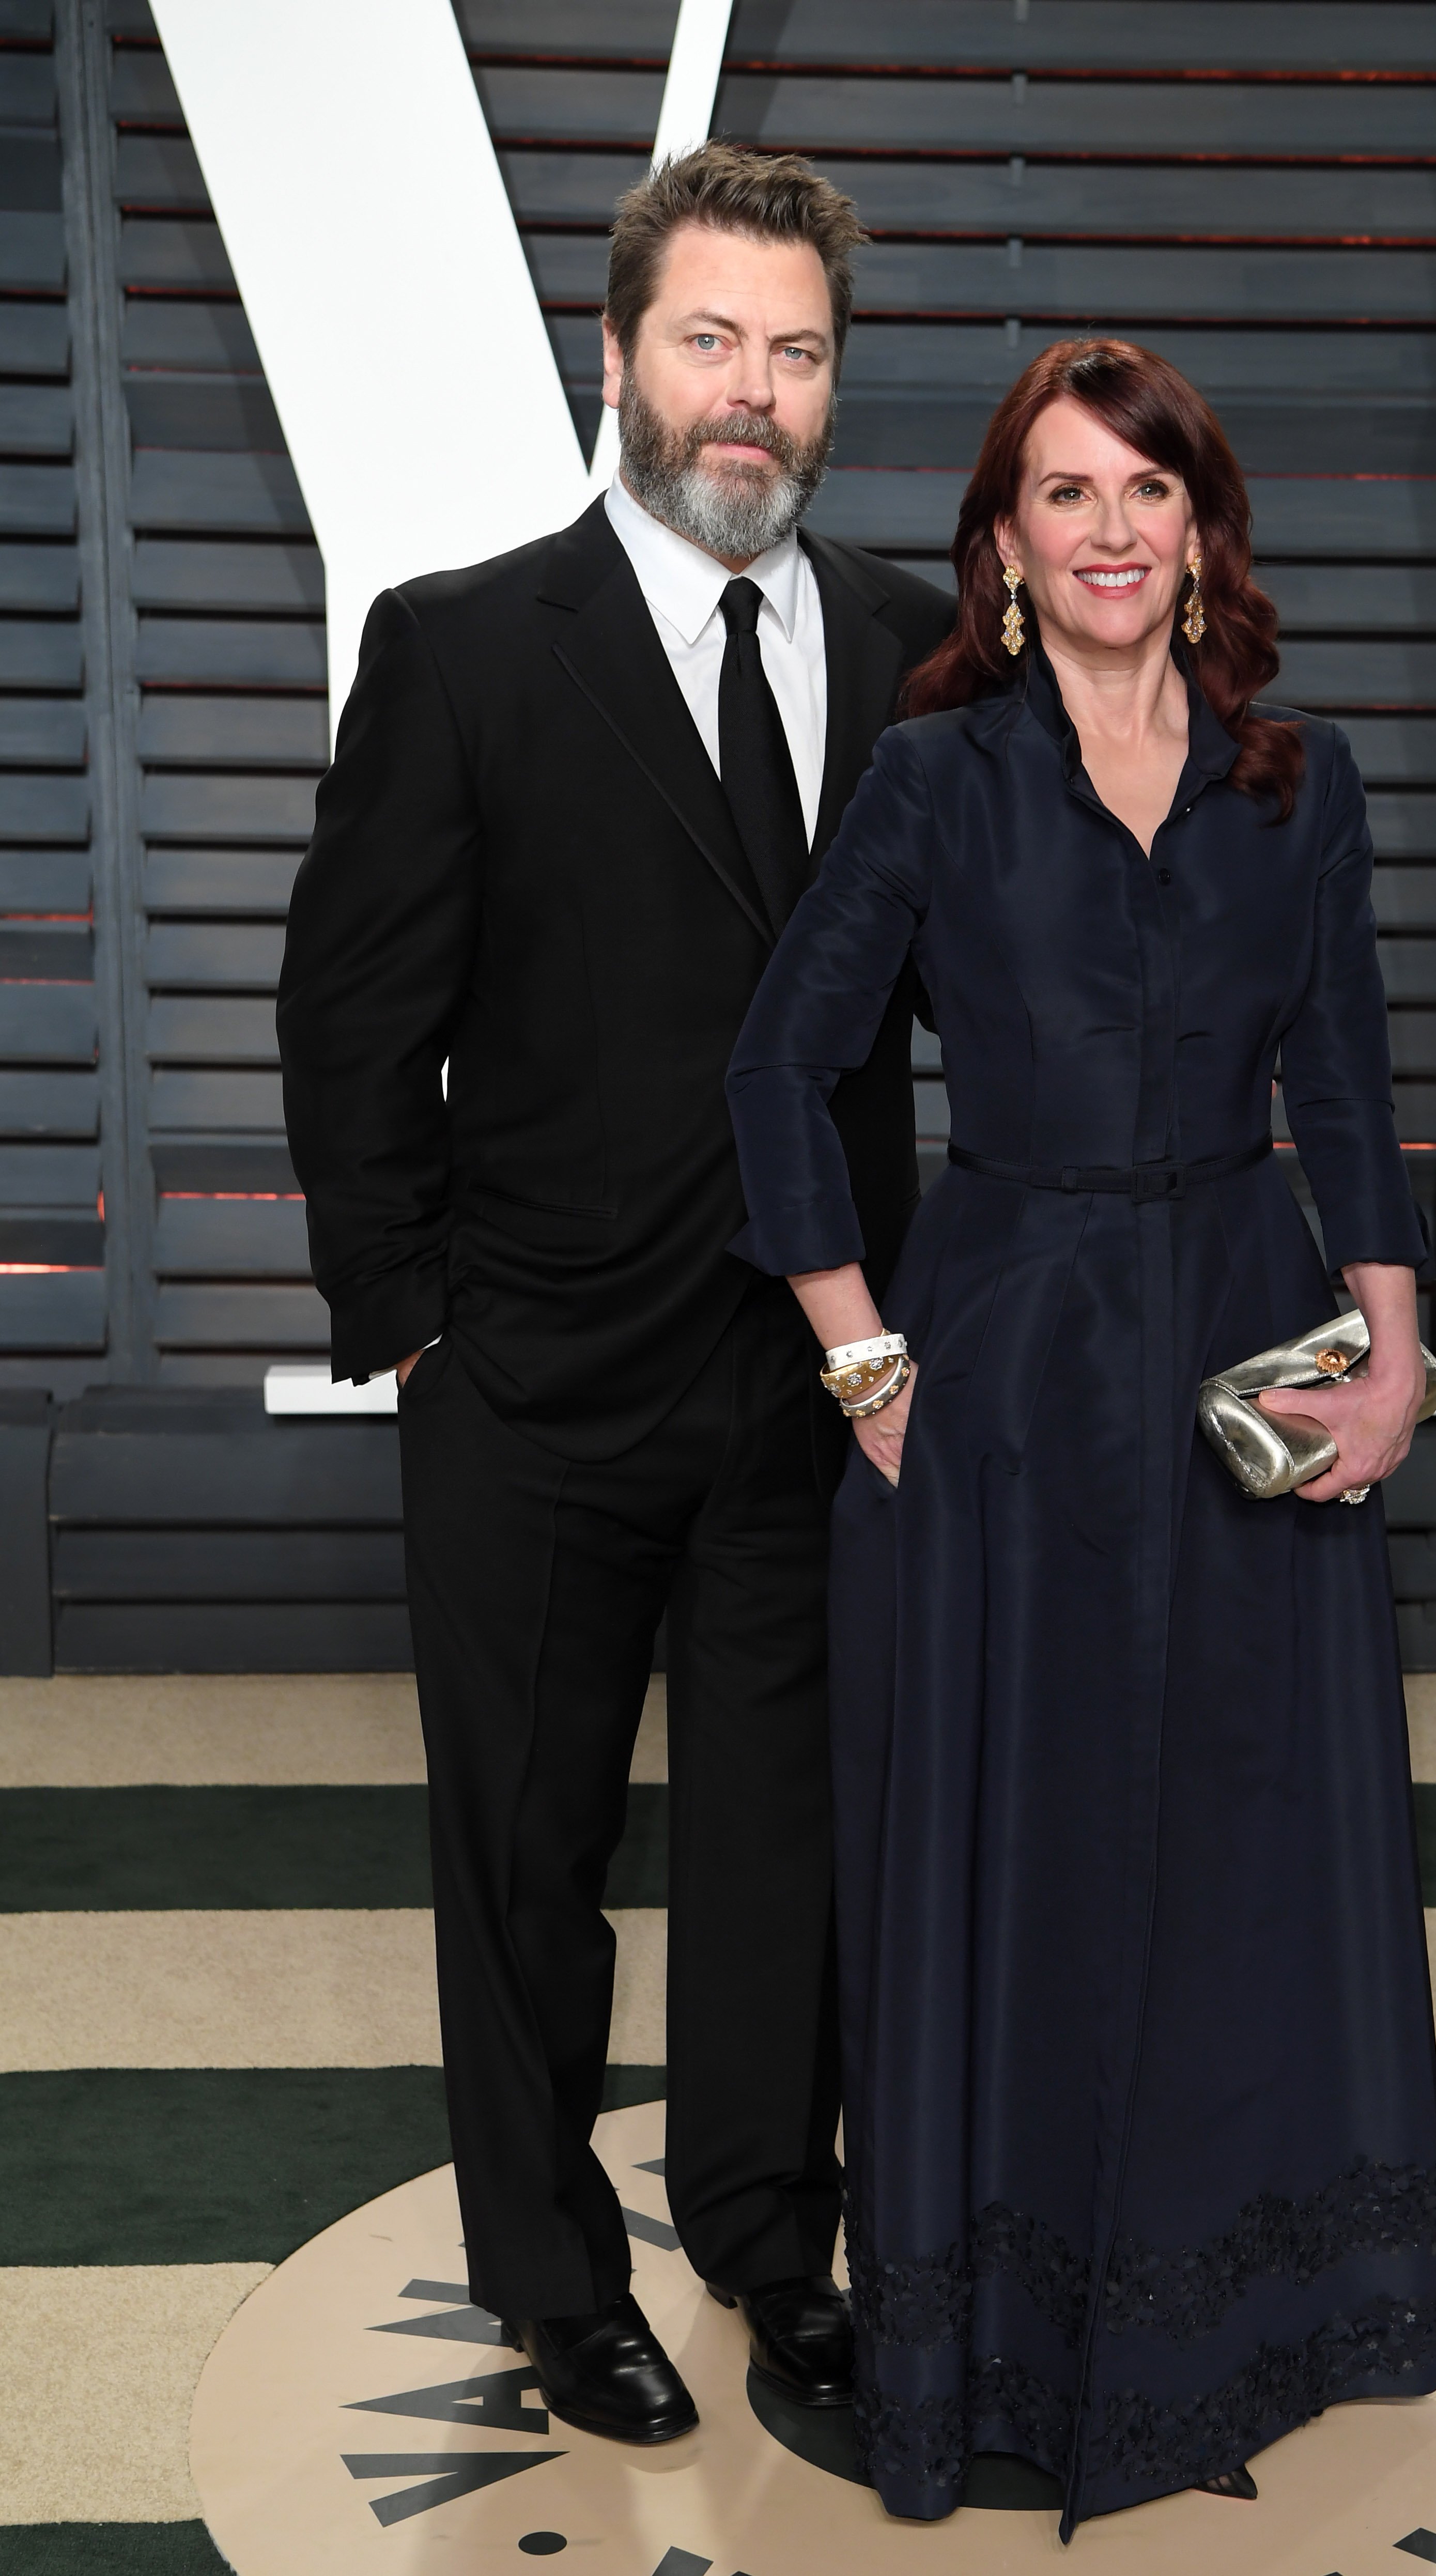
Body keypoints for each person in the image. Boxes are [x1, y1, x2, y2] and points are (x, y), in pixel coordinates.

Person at [725, 338, 1436, 2536]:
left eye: (1148, 489)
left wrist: (1395, 1349)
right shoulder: (936, 779)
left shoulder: (1288, 779)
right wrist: (862, 1356)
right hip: (1011, 1353)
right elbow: (780, 1068)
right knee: (1022, 1837)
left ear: (1199, 530)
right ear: (1007, 544)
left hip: (1242, 1337)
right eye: (1067, 493)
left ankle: (1227, 2307)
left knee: (1241, 1837)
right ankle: (1007, 2328)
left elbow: (1338, 1074)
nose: (1113, 527)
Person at [275, 145, 954, 2446]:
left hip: (807, 1390)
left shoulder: (898, 646)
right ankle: (556, 2278)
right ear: (618, 360)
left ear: (828, 385)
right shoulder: (464, 645)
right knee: (525, 1869)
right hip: (532, 1386)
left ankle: (772, 2250)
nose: (747, 397)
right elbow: (352, 1011)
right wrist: (417, 1329)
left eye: (792, 353)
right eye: (708, 343)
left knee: (788, 1863)